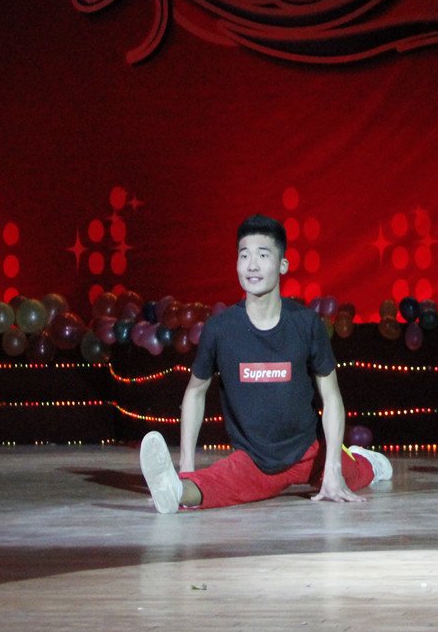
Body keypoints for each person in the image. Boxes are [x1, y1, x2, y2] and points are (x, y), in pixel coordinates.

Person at [138, 214, 391, 512]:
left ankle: (368, 460)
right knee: (209, 485)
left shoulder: (306, 323)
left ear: (282, 265)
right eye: (244, 255)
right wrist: (187, 467)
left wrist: (333, 468)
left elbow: (332, 396)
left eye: (262, 255)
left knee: (356, 473)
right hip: (254, 460)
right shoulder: (220, 329)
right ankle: (174, 489)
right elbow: (195, 392)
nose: (252, 265)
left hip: (309, 453)